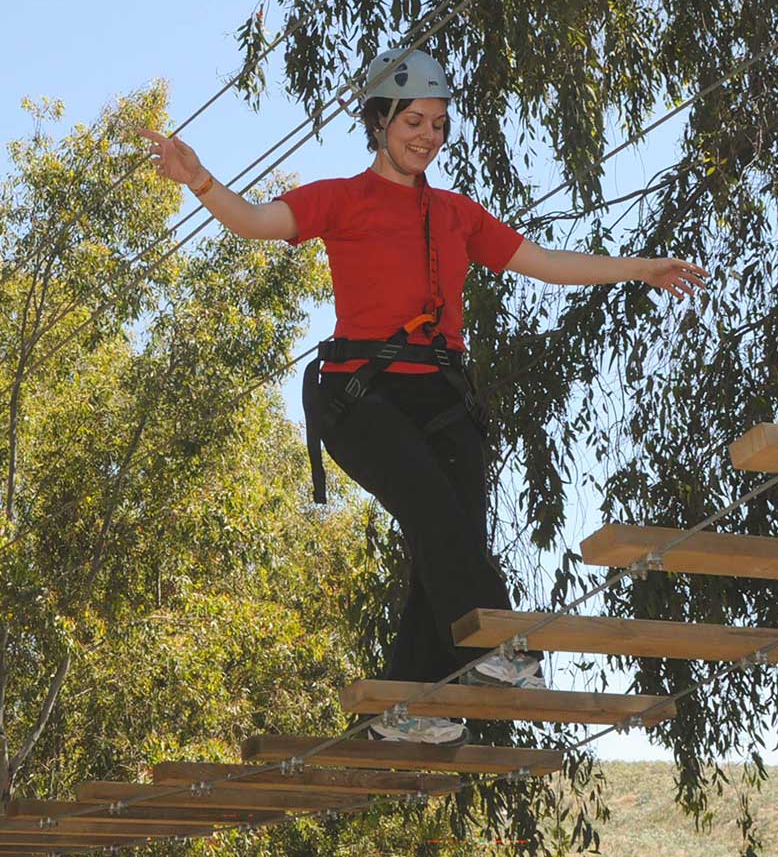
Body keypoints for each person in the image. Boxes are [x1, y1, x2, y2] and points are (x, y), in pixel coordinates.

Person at [137, 49, 708, 747]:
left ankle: (405, 707)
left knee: (450, 539)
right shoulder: (341, 198)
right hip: (362, 398)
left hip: (443, 399)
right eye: (413, 121)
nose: (428, 136)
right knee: (438, 515)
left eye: (439, 125)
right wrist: (197, 178)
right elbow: (255, 221)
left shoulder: (457, 213)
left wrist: (641, 268)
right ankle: (504, 646)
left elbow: (548, 263)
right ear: (380, 122)